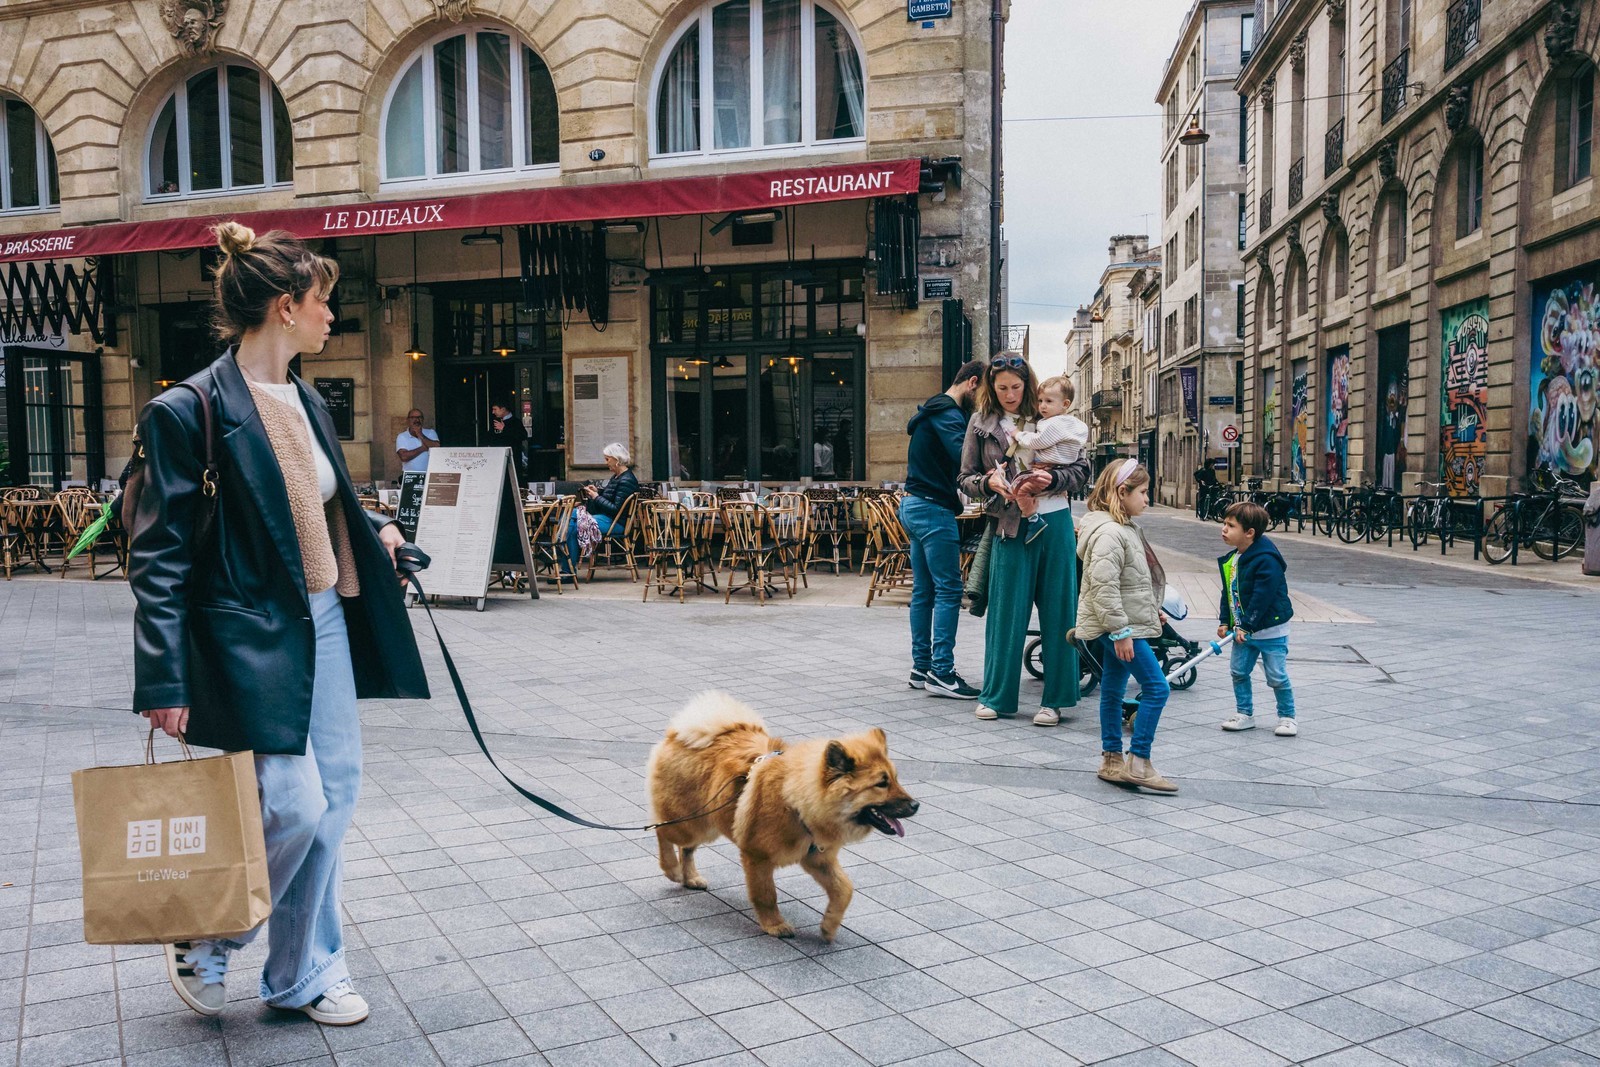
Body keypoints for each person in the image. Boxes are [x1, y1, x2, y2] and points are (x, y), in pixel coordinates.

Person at [128, 223, 428, 1026]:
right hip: (249, 638)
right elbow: (158, 556)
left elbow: (316, 500)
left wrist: (379, 532)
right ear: (287, 307)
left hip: (325, 616)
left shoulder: (305, 397)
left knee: (336, 798)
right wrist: (164, 676)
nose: (334, 316)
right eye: (325, 302)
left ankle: (302, 972)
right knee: (293, 804)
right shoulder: (185, 410)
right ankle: (212, 930)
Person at [958, 355, 1091, 727]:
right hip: (1010, 525)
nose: (1010, 395)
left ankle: (1057, 700)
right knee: (1005, 616)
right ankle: (996, 696)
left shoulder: (1050, 416)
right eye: (1002, 388)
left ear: (1027, 384)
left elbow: (1082, 470)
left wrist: (1054, 480)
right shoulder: (981, 423)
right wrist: (989, 484)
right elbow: (965, 477)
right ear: (990, 387)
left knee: (1059, 612)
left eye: (1016, 387)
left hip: (1056, 523)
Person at [1076, 459, 1177, 793]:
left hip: (1120, 624)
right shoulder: (1110, 533)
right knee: (1157, 688)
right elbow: (1103, 588)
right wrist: (1120, 632)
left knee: (1114, 689)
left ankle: (1111, 759)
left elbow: (1130, 584)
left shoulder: (1124, 527)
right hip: (1116, 628)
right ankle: (1140, 761)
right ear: (1123, 492)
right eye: (1144, 492)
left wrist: (1152, 612)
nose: (1148, 499)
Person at [900, 359, 985, 699]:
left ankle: (921, 668)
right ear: (972, 383)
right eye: (985, 394)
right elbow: (964, 458)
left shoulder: (931, 411)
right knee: (949, 590)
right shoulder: (949, 414)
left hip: (913, 505)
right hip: (933, 510)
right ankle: (942, 672)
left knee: (924, 591)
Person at [1216, 500, 1298, 736]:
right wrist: (1225, 621)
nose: (1224, 529)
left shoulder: (1266, 560)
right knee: (1239, 671)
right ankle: (1244, 713)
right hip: (1243, 631)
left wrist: (1246, 624)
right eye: (1224, 523)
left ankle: (1287, 717)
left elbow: (1263, 597)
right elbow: (1228, 592)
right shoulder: (1235, 558)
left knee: (1276, 676)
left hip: (1271, 630)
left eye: (1230, 525)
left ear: (1249, 533)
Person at [1008, 374, 1089, 541]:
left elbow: (1038, 441)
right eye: (1040, 401)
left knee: (1020, 491)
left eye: (1049, 402)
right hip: (1058, 470)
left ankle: (1033, 519)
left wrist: (1018, 435)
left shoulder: (1054, 424)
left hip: (1048, 468)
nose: (1042, 406)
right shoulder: (1070, 423)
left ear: (1065, 404)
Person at [567, 442, 640, 574]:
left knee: (570, 518)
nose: (606, 463)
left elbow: (615, 509)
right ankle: (568, 570)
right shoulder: (618, 477)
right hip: (608, 518)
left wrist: (596, 497)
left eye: (607, 459)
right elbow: (612, 496)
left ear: (616, 459)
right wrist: (598, 491)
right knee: (570, 525)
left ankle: (567, 569)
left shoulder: (626, 480)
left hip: (616, 523)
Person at [489, 400, 528, 483]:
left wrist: (505, 429)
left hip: (513, 460)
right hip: (497, 459)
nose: (493, 412)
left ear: (503, 409)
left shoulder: (515, 422)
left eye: (495, 409)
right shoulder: (495, 422)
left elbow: (523, 436)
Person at [394, 408, 439, 473]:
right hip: (411, 475)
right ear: (408, 420)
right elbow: (404, 457)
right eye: (413, 417)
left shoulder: (431, 432)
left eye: (419, 417)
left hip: (430, 475)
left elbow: (437, 447)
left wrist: (420, 434)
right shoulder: (402, 436)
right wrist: (423, 448)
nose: (417, 420)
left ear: (423, 420)